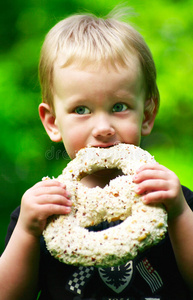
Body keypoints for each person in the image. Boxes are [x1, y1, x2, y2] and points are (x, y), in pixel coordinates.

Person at [1, 7, 193, 300]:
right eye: (81, 110)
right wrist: (27, 233)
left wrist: (179, 213)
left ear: (147, 114)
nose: (103, 127)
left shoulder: (170, 198)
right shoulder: (43, 210)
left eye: (119, 106)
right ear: (53, 122)